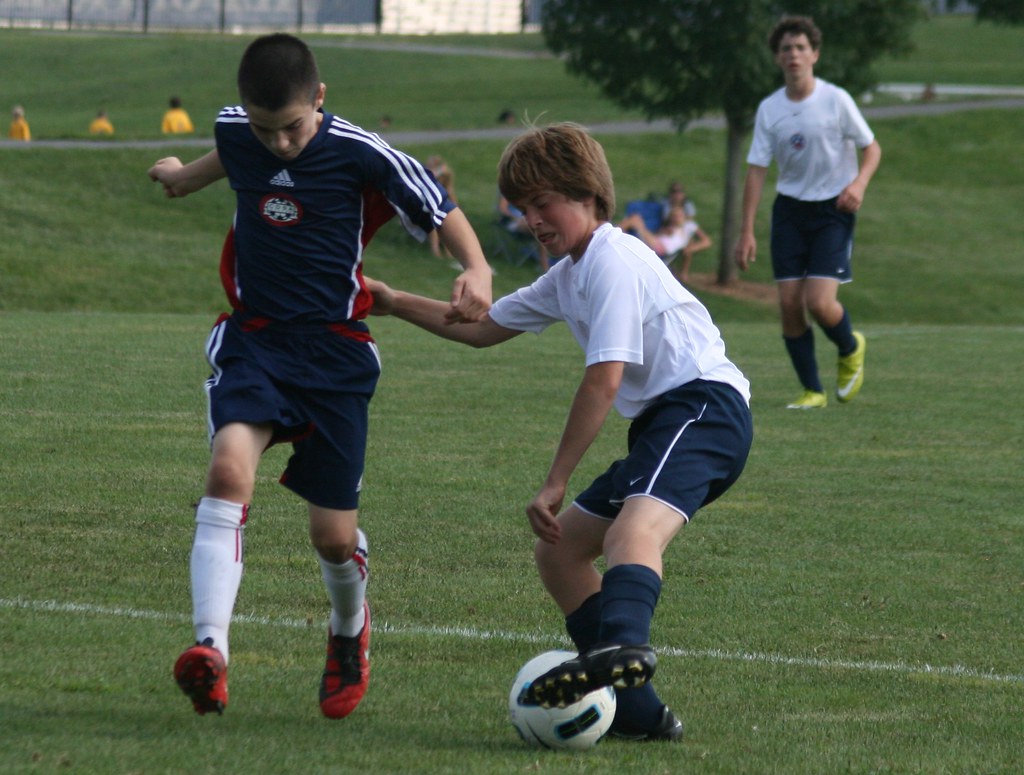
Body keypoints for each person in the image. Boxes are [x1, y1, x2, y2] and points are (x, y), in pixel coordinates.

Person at [366, 123, 752, 742]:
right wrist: (391, 301)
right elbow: (485, 325)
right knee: (560, 551)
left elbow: (604, 379)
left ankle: (622, 647)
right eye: (523, 208)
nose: (534, 220)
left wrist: (555, 481)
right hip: (664, 424)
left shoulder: (614, 258)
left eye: (543, 203)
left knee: (633, 531)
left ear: (588, 194)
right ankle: (640, 713)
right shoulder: (568, 273)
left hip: (705, 409)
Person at [147, 33, 492, 720]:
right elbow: (232, 154)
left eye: (293, 127)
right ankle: (210, 651)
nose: (278, 143)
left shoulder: (361, 152)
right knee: (226, 472)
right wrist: (183, 175)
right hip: (257, 341)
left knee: (333, 537)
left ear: (321, 100)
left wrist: (476, 267)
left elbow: (439, 207)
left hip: (335, 356)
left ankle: (347, 629)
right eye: (264, 127)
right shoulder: (241, 131)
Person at [733, 15, 880, 410]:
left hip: (833, 208)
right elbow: (757, 170)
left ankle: (850, 346)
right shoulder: (770, 109)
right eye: (786, 49)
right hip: (790, 212)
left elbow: (872, 147)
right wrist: (746, 231)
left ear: (814, 54)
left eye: (800, 47)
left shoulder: (836, 99)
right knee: (788, 303)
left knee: (819, 302)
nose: (793, 54)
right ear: (777, 59)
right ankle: (812, 391)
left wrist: (858, 185)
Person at [619, 205, 712, 284]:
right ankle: (617, 234)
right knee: (635, 220)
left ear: (684, 216)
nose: (676, 218)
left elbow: (707, 241)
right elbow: (660, 236)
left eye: (678, 215)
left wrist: (691, 248)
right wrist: (664, 232)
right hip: (656, 243)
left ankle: (614, 234)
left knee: (635, 219)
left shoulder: (689, 226)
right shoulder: (670, 227)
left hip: (660, 248)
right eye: (673, 216)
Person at [426, 155, 455, 259]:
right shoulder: (426, 177)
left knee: (448, 220)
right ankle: (435, 250)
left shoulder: (445, 182)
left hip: (438, 209)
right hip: (424, 209)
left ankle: (448, 250)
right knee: (434, 220)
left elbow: (453, 200)